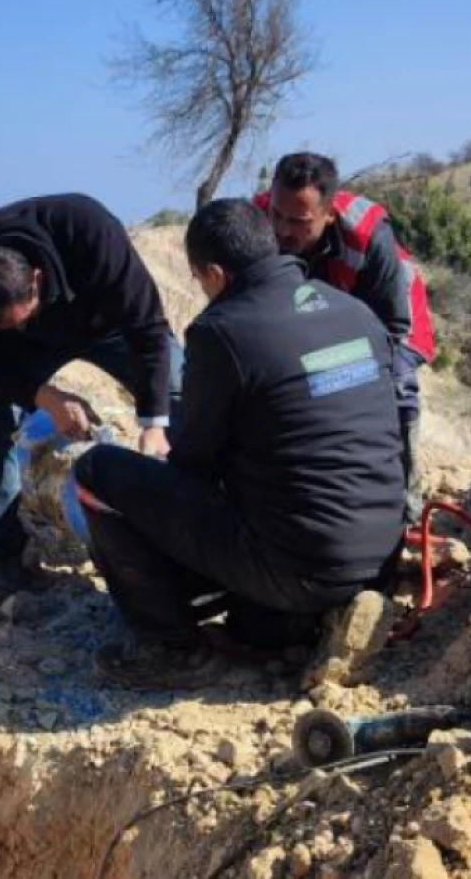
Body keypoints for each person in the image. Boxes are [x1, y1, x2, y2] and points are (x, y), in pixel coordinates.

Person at [72, 199, 406, 689]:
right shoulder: (354, 311)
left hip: (300, 567)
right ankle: (279, 623)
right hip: (379, 555)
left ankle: (172, 649)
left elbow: (196, 465)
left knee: (98, 471)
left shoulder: (221, 333)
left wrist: (162, 457)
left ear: (213, 273)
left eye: (200, 280)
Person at [0, 192, 183, 606]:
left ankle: (212, 522)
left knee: (183, 387)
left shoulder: (88, 229)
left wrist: (155, 422)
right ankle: (2, 554)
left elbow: (148, 329)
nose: (11, 328)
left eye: (20, 316)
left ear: (36, 280)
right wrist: (44, 395)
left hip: (105, 326)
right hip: (28, 351)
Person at [254, 153, 436, 524]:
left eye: (299, 222)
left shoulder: (370, 235)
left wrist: (330, 367)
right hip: (316, 316)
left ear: (329, 214)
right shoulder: (257, 221)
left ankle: (404, 505)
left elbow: (391, 328)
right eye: (278, 215)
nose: (283, 231)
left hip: (389, 323)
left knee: (395, 387)